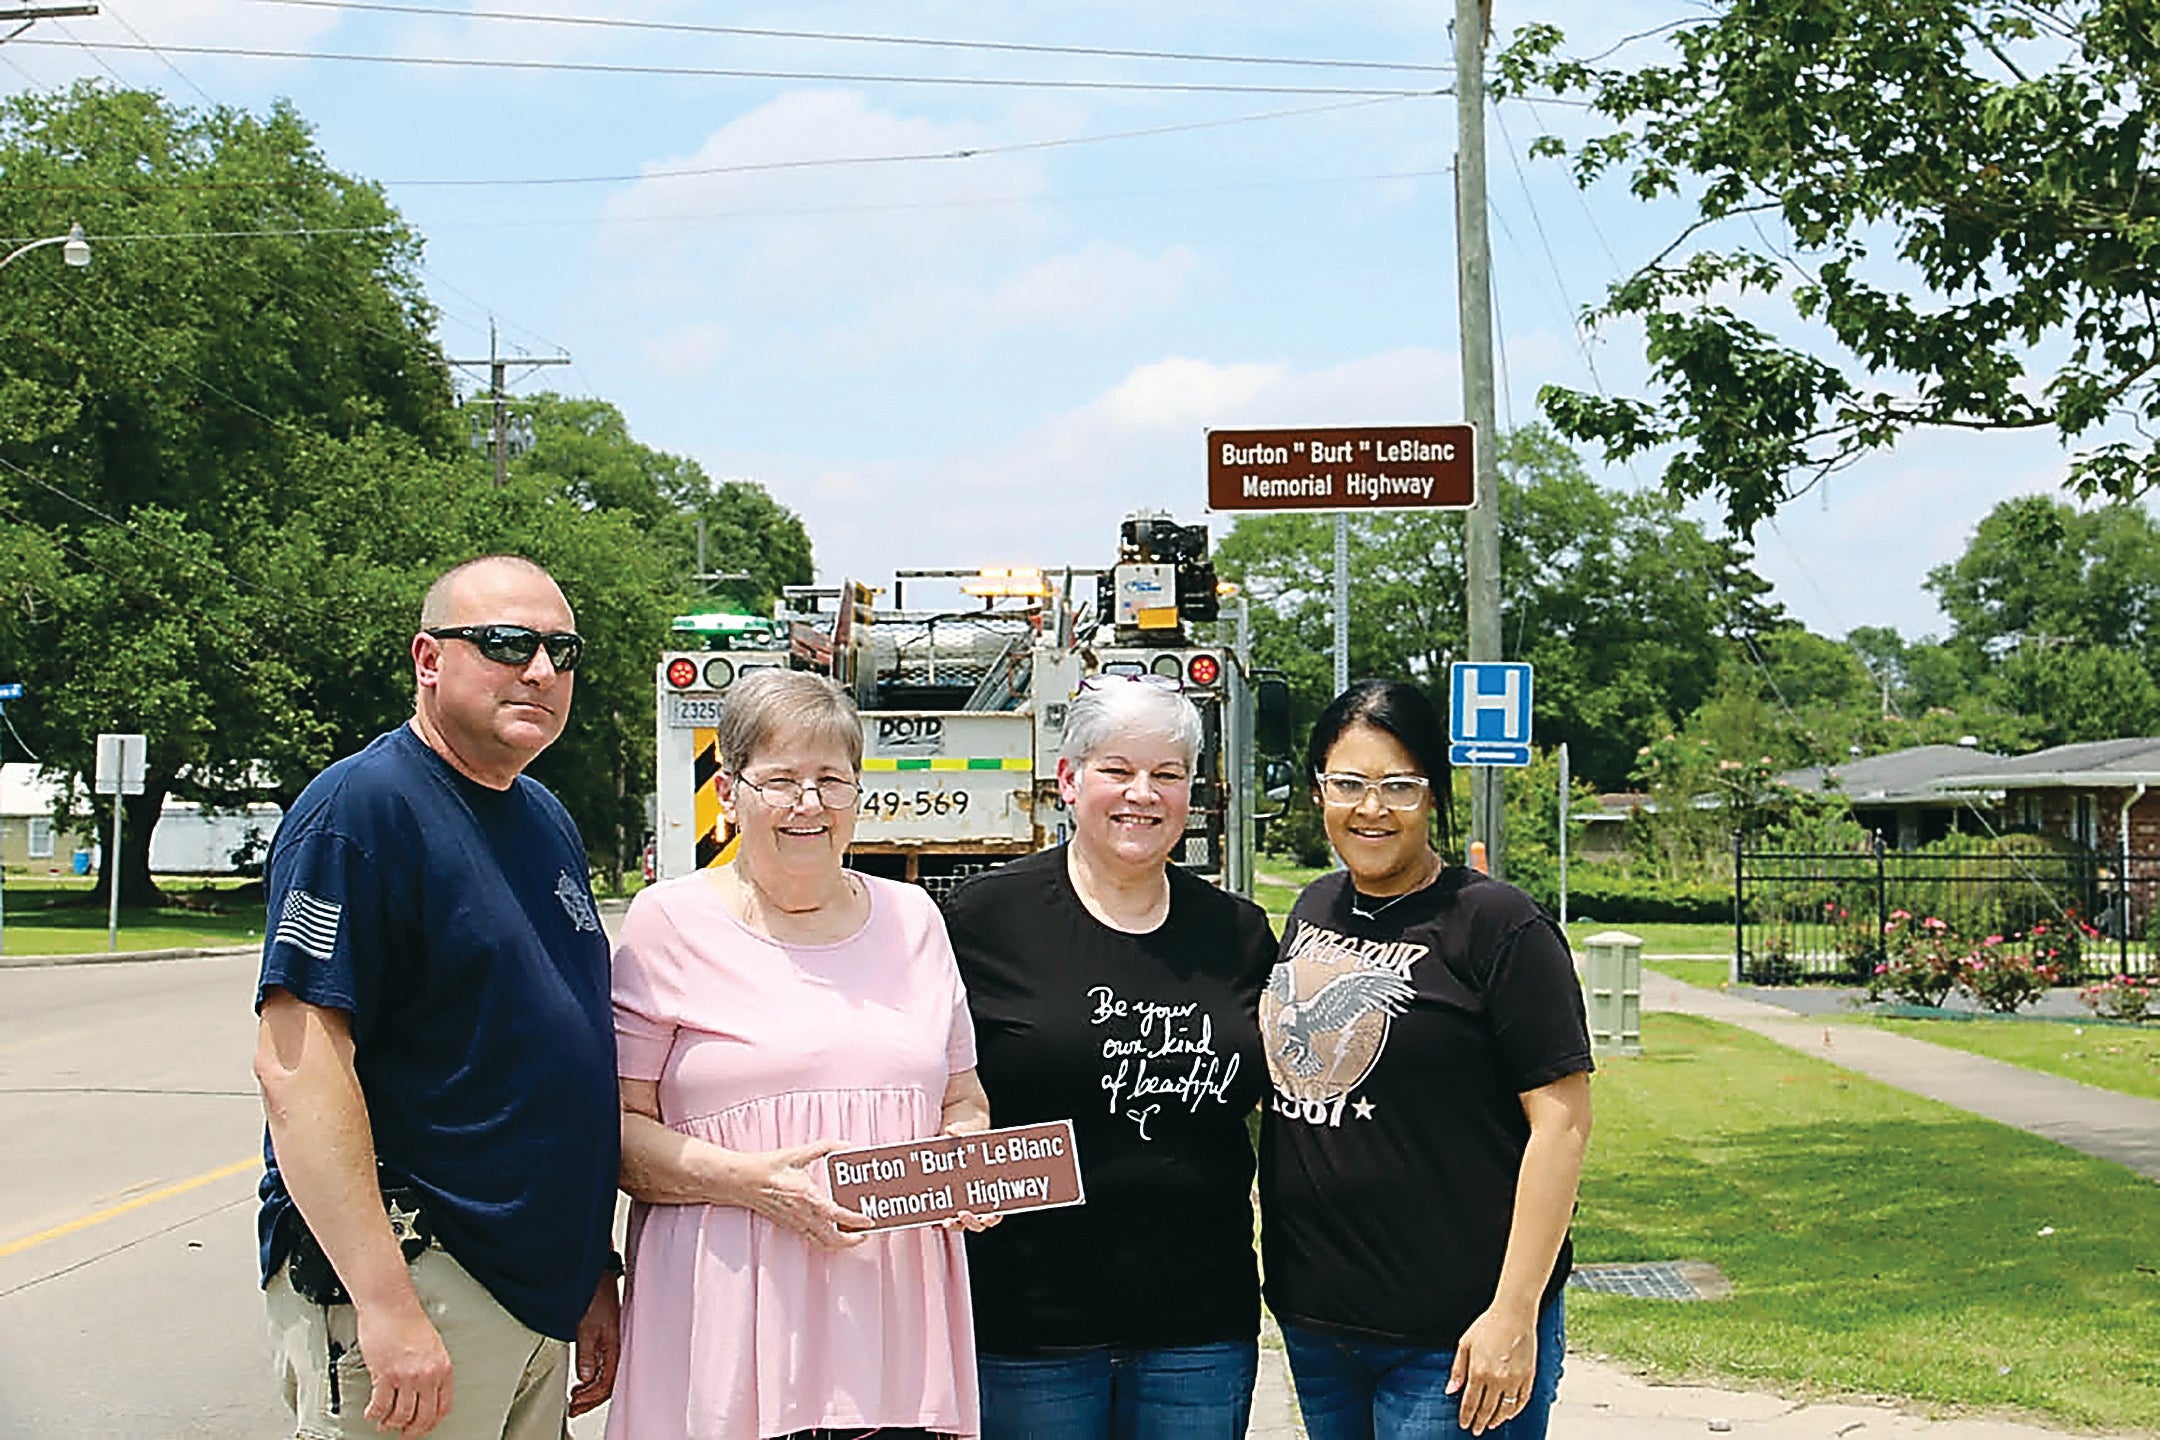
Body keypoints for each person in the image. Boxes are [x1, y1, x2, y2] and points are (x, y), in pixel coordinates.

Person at [252, 555, 622, 1440]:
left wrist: (590, 1269)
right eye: (505, 643)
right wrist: (386, 1306)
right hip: (426, 1278)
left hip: (534, 1291)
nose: (540, 670)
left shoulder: (542, 818)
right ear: (428, 658)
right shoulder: (361, 810)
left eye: (561, 651)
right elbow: (297, 1068)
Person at [607, 668, 992, 1440]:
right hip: (726, 1329)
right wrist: (751, 1184)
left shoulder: (915, 918)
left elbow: (962, 1095)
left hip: (893, 1343)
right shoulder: (667, 924)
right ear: (728, 791)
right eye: (781, 780)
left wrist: (966, 1155)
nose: (809, 805)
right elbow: (615, 1132)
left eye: (831, 781)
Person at [944, 673, 1278, 1440]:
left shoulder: (1238, 935)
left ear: (1191, 791)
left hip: (1199, 1329)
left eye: (1166, 775)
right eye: (1117, 771)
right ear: (1069, 780)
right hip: (1028, 1328)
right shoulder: (984, 919)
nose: (1142, 794)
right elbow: (926, 1081)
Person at [1258, 680, 1594, 1440]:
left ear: (1434, 796)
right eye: (1347, 784)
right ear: (1318, 792)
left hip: (1456, 1336)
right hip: (1320, 1325)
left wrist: (1513, 1313)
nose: (1370, 808)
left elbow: (1562, 1126)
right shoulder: (1314, 908)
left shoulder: (1499, 926)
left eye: (1398, 786)